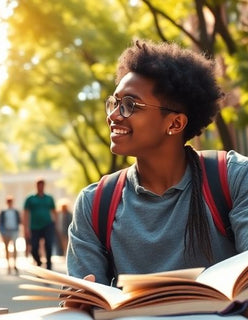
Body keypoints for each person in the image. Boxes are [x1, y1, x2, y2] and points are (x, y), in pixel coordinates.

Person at [67, 39, 248, 287]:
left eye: (130, 105)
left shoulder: (234, 179)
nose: (113, 115)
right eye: (114, 102)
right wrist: (80, 302)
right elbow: (83, 298)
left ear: (174, 124)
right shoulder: (95, 204)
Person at [23, 178, 57, 270]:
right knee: (34, 247)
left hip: (47, 225)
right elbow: (25, 214)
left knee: (48, 245)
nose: (40, 187)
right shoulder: (30, 199)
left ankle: (49, 266)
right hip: (34, 226)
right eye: (39, 185)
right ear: (36, 186)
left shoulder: (49, 198)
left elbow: (54, 212)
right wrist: (25, 228)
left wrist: (55, 224)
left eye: (42, 185)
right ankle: (38, 262)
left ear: (44, 186)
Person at [0, 195, 21, 274]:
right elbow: (0, 223)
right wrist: (2, 232)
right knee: (6, 249)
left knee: (14, 248)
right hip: (6, 231)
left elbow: (19, 221)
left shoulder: (15, 211)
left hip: (14, 231)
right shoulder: (3, 211)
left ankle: (15, 264)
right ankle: (8, 265)